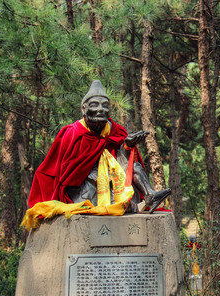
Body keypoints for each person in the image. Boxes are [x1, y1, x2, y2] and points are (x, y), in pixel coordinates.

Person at [23, 80, 170, 228]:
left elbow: (122, 161)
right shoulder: (73, 133)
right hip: (86, 181)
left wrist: (127, 146)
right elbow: (65, 168)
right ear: (83, 109)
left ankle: (150, 195)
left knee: (134, 166)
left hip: (114, 177)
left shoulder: (116, 130)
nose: (101, 109)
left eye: (105, 106)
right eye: (95, 105)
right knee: (90, 190)